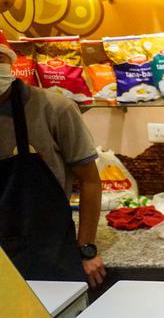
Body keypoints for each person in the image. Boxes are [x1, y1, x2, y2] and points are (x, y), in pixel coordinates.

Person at [0, 32, 105, 286]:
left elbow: (90, 180)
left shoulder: (53, 108)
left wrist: (86, 248)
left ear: (10, 61)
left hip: (48, 251)